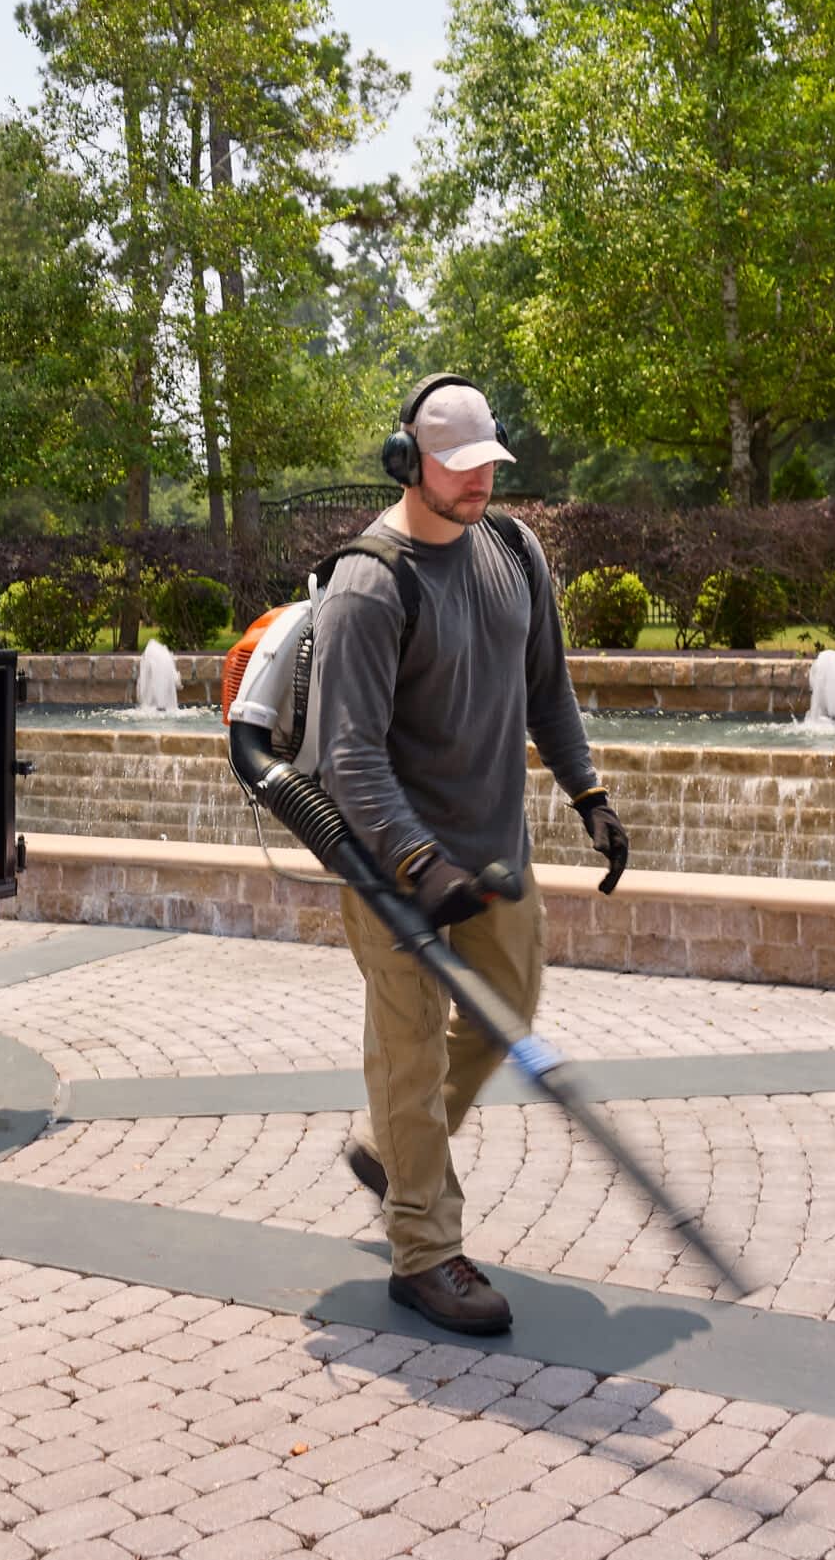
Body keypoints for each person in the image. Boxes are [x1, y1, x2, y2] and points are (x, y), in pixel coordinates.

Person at [311, 375, 629, 1338]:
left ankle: (388, 1149)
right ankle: (425, 1251)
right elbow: (350, 756)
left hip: (494, 853)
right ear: (409, 463)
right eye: (459, 468)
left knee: (508, 1011)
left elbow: (549, 689)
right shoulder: (372, 582)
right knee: (407, 1055)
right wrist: (415, 861)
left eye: (489, 464)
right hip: (391, 868)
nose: (479, 483)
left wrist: (589, 793)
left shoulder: (515, 550)